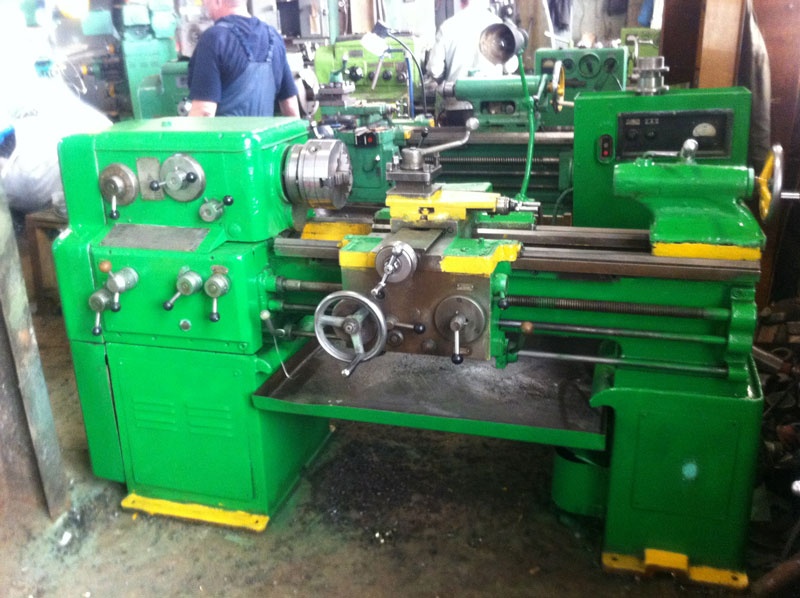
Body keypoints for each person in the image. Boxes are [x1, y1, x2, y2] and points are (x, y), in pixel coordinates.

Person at [188, 0, 300, 117]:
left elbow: (204, 111)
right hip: (264, 129)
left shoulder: (213, 38)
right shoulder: (274, 37)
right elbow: (291, 107)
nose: (204, 3)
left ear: (217, 1)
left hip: (225, 129)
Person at [426, 0, 515, 125]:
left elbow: (435, 69)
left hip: (457, 106)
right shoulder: (498, 25)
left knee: (456, 138)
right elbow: (510, 67)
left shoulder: (448, 26)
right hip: (490, 107)